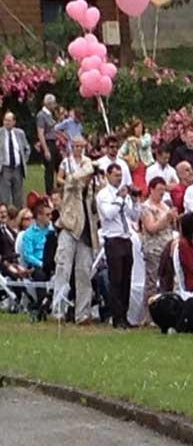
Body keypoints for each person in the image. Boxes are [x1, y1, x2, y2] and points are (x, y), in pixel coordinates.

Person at [52, 136, 100, 324]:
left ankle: (83, 312)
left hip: (86, 222)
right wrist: (71, 182)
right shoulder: (67, 163)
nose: (79, 149)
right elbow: (60, 179)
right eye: (76, 146)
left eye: (82, 146)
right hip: (70, 219)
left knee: (84, 270)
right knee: (63, 266)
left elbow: (92, 176)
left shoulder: (89, 164)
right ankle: (58, 309)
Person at [96, 163, 141, 329]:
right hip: (113, 238)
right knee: (116, 279)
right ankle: (117, 317)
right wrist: (120, 199)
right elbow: (108, 214)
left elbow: (134, 215)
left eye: (120, 176)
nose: (119, 179)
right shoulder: (103, 195)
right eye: (115, 175)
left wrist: (135, 201)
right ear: (108, 176)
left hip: (125, 237)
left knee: (127, 279)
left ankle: (125, 315)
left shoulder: (124, 194)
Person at [141, 177, 178, 324]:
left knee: (167, 281)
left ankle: (167, 314)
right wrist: (166, 219)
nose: (162, 194)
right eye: (159, 190)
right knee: (152, 282)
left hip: (167, 247)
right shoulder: (146, 207)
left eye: (164, 190)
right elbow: (151, 228)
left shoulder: (165, 205)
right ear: (151, 189)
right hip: (154, 248)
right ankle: (149, 316)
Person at [0, 111, 30, 208]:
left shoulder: (19, 133)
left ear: (14, 122)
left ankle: (19, 218)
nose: (7, 123)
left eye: (9, 120)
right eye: (5, 120)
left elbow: (27, 148)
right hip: (5, 169)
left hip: (17, 169)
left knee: (18, 197)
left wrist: (23, 161)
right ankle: (5, 218)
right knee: (5, 197)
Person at [119, 118, 154, 194]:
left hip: (148, 165)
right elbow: (119, 153)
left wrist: (134, 139)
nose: (139, 129)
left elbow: (143, 144)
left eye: (140, 127)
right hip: (136, 167)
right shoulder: (129, 141)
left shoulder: (147, 136)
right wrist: (126, 158)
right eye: (137, 127)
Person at [36, 94, 60, 195]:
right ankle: (49, 193)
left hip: (54, 143)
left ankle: (59, 191)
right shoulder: (41, 115)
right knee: (49, 170)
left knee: (59, 166)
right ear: (48, 104)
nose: (55, 105)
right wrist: (45, 150)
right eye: (53, 103)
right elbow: (40, 133)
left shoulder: (51, 114)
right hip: (48, 143)